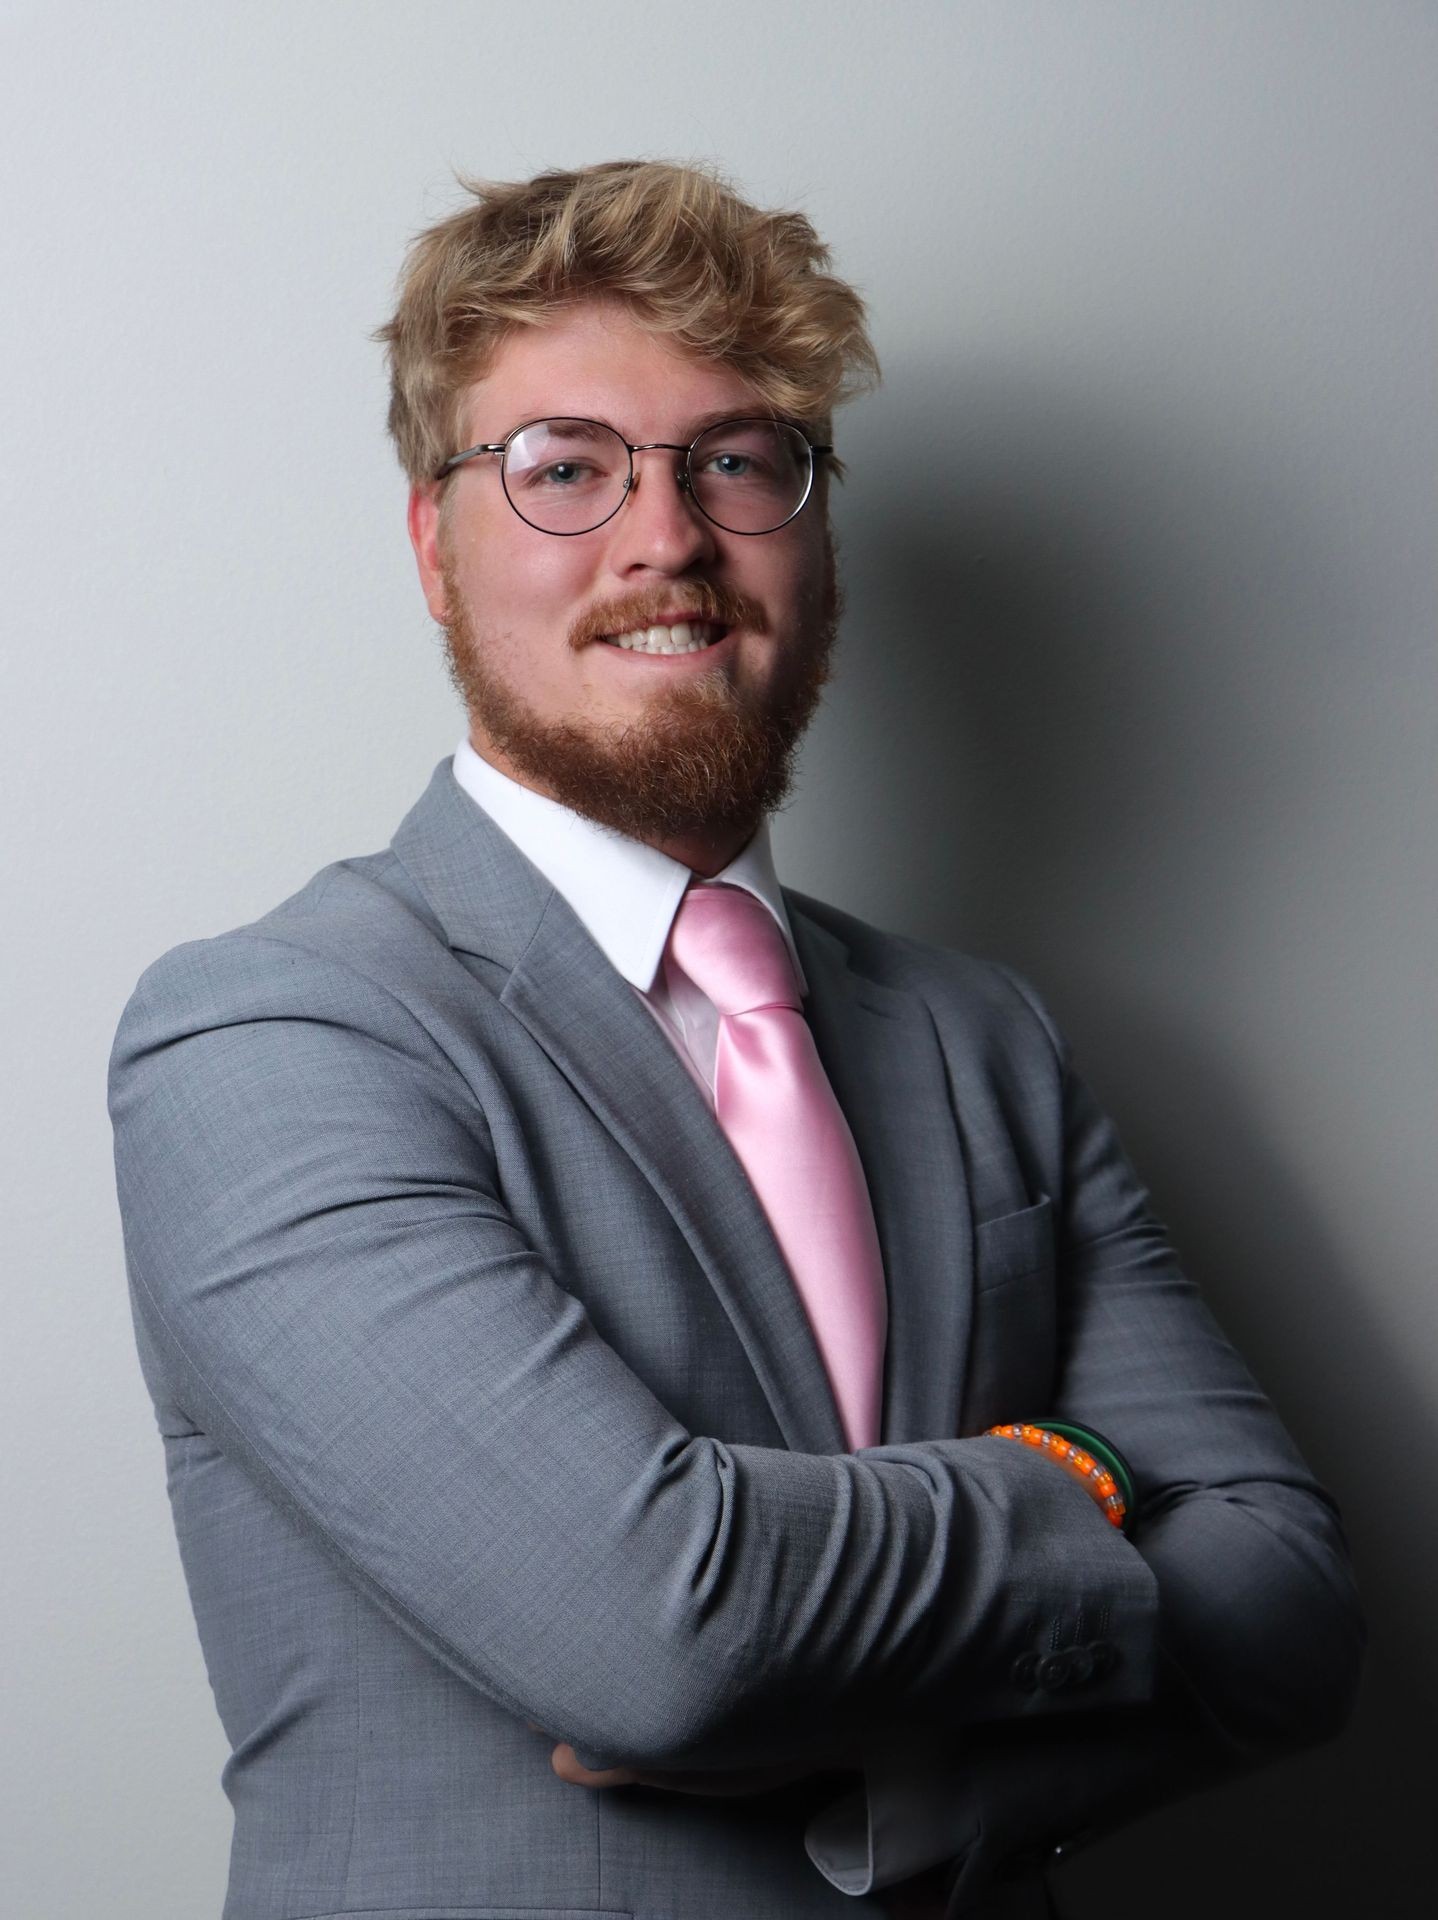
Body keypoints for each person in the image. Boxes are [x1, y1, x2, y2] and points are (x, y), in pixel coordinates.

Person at [107, 160, 1363, 1920]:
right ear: (431, 548)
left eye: (736, 459)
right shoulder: (277, 1033)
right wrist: (1079, 1485)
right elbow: (658, 1631)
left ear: (813, 524)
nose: (666, 539)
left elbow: (1294, 1604)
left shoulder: (978, 1036)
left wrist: (898, 1764)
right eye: (561, 471)